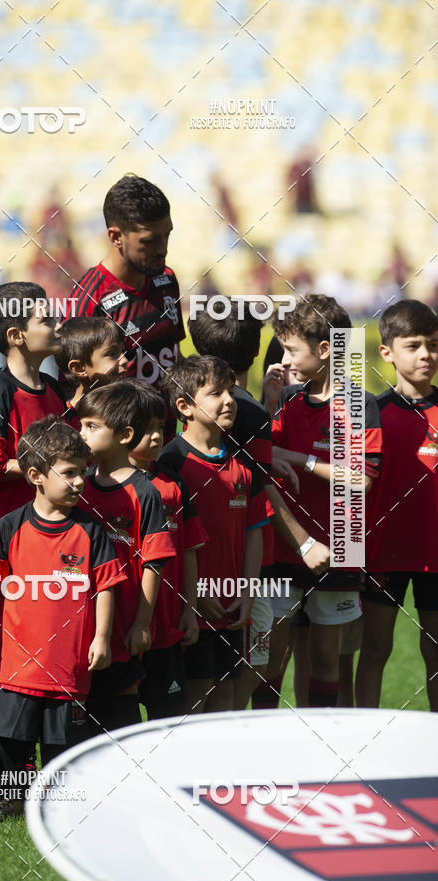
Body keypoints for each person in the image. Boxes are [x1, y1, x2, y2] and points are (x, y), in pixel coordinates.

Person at [0, 417, 124, 818]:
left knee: (62, 741)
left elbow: (105, 587)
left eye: (83, 472)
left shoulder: (91, 530)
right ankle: (14, 795)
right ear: (36, 476)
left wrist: (102, 637)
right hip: (15, 661)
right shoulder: (10, 525)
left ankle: (56, 800)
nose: (79, 481)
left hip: (67, 663)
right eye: (69, 473)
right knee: (11, 734)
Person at [187, 306, 330, 709]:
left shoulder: (198, 404)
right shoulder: (244, 409)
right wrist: (304, 542)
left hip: (202, 563)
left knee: (213, 675)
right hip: (249, 562)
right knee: (246, 669)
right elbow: (260, 487)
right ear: (256, 351)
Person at [270, 294, 382, 707]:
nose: (284, 359)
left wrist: (301, 459)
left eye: (291, 350)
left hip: (340, 546)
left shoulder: (359, 404)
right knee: (270, 658)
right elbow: (265, 460)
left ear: (323, 349)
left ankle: (323, 743)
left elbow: (361, 479)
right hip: (284, 544)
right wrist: (268, 406)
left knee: (324, 658)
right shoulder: (286, 399)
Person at [159, 355, 270, 713]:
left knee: (226, 697)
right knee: (193, 700)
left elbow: (255, 531)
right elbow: (166, 542)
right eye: (215, 393)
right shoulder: (170, 462)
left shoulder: (243, 463)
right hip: (186, 610)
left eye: (231, 391)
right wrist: (192, 597)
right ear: (184, 407)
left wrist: (248, 592)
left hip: (231, 606)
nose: (229, 400)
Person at [76, 380, 176, 733]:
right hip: (80, 625)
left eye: (91, 426)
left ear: (124, 435)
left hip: (123, 628)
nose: (81, 434)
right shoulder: (77, 486)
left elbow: (154, 562)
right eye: (80, 425)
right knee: (78, 726)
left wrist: (141, 624)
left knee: (119, 718)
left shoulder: (145, 492)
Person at [357, 300, 438, 711]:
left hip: (435, 555)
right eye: (414, 345)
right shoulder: (374, 413)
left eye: (433, 345)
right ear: (386, 352)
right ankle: (364, 739)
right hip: (383, 552)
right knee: (374, 650)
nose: (426, 355)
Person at [70, 175, 184, 440]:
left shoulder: (167, 280)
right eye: (150, 240)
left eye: (167, 235)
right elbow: (75, 390)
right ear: (116, 237)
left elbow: (174, 356)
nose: (163, 249)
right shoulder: (90, 298)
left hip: (166, 441)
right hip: (120, 447)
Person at [0, 281, 66, 588]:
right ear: (16, 336)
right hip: (4, 548)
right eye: (46, 320)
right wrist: (49, 466)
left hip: (47, 539)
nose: (57, 325)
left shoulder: (54, 388)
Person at [128, 381, 207, 719]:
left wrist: (190, 611)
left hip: (166, 631)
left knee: (168, 723)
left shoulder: (175, 484)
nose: (156, 436)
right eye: (146, 428)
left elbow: (189, 551)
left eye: (160, 427)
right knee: (118, 724)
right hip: (120, 633)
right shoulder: (97, 486)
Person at [57, 316, 127, 409]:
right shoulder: (66, 415)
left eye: (122, 351)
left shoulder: (132, 407)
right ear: (79, 368)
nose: (125, 360)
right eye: (112, 354)